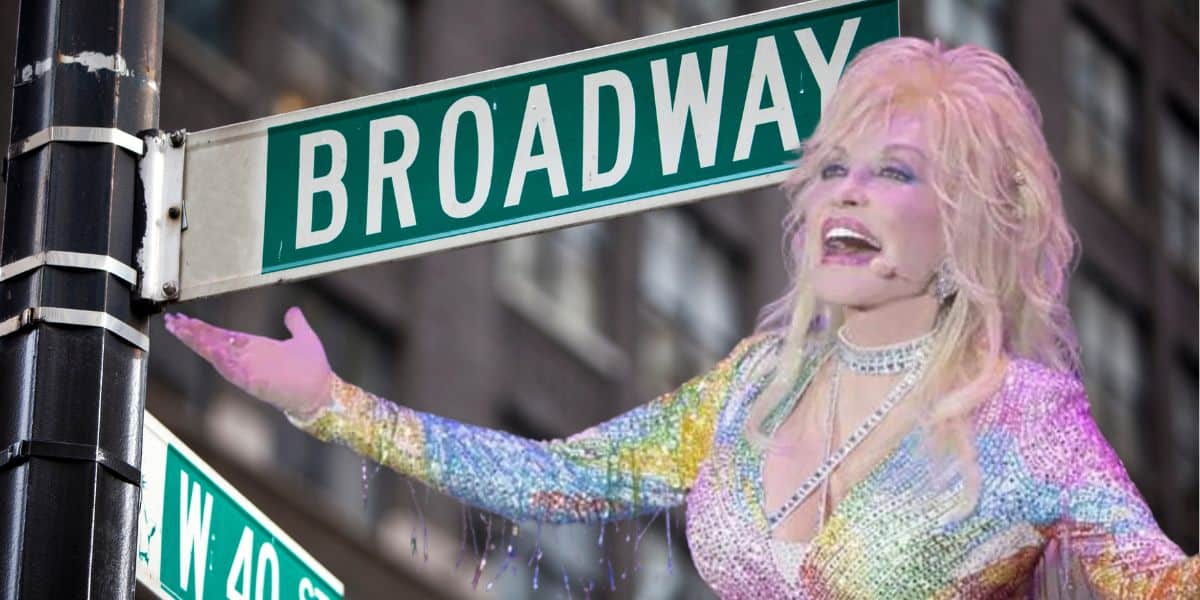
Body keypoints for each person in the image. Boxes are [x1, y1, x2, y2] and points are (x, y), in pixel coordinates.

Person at [165, 38, 1198, 598]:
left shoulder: (1023, 418)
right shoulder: (756, 385)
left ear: (970, 222)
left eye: (894, 173)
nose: (846, 194)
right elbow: (566, 478)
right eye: (833, 168)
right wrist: (327, 403)